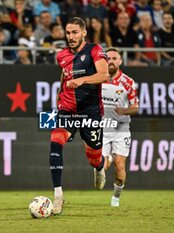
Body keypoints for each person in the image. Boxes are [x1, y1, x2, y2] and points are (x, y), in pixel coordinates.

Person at [50, 17, 109, 214]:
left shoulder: (95, 50)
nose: (71, 37)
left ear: (83, 32)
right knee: (55, 141)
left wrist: (82, 80)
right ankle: (58, 195)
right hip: (67, 109)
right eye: (68, 33)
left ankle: (99, 166)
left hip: (90, 111)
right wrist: (60, 95)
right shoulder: (61, 56)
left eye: (75, 32)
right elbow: (64, 76)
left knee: (93, 156)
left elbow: (104, 75)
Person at [102, 47, 139, 207]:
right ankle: (107, 157)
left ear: (120, 61)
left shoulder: (128, 82)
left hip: (121, 129)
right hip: (102, 128)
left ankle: (116, 196)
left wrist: (124, 110)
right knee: (102, 166)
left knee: (120, 165)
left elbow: (135, 107)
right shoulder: (98, 79)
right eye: (108, 58)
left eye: (114, 58)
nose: (111, 61)